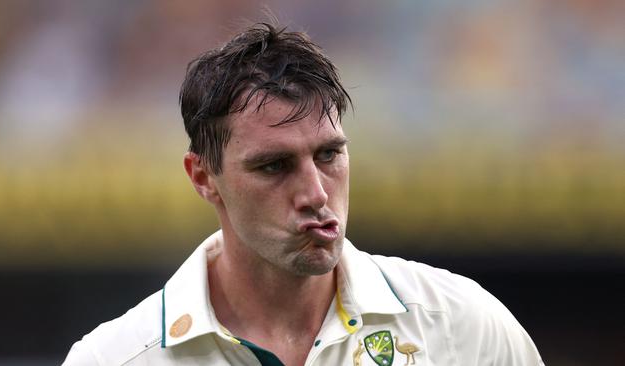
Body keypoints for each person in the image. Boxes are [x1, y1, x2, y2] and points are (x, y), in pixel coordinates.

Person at [64, 22, 544, 366]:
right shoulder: (114, 357)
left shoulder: (465, 329)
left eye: (329, 155)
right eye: (273, 165)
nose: (315, 193)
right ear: (203, 177)